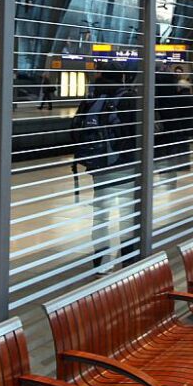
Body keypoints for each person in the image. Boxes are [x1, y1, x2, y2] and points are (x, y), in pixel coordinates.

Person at [71, 70, 138, 273]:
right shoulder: (128, 99)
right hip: (125, 165)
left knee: (101, 214)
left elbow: (75, 130)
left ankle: (100, 261)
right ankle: (128, 258)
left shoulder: (91, 100)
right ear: (122, 78)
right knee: (128, 212)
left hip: (100, 166)